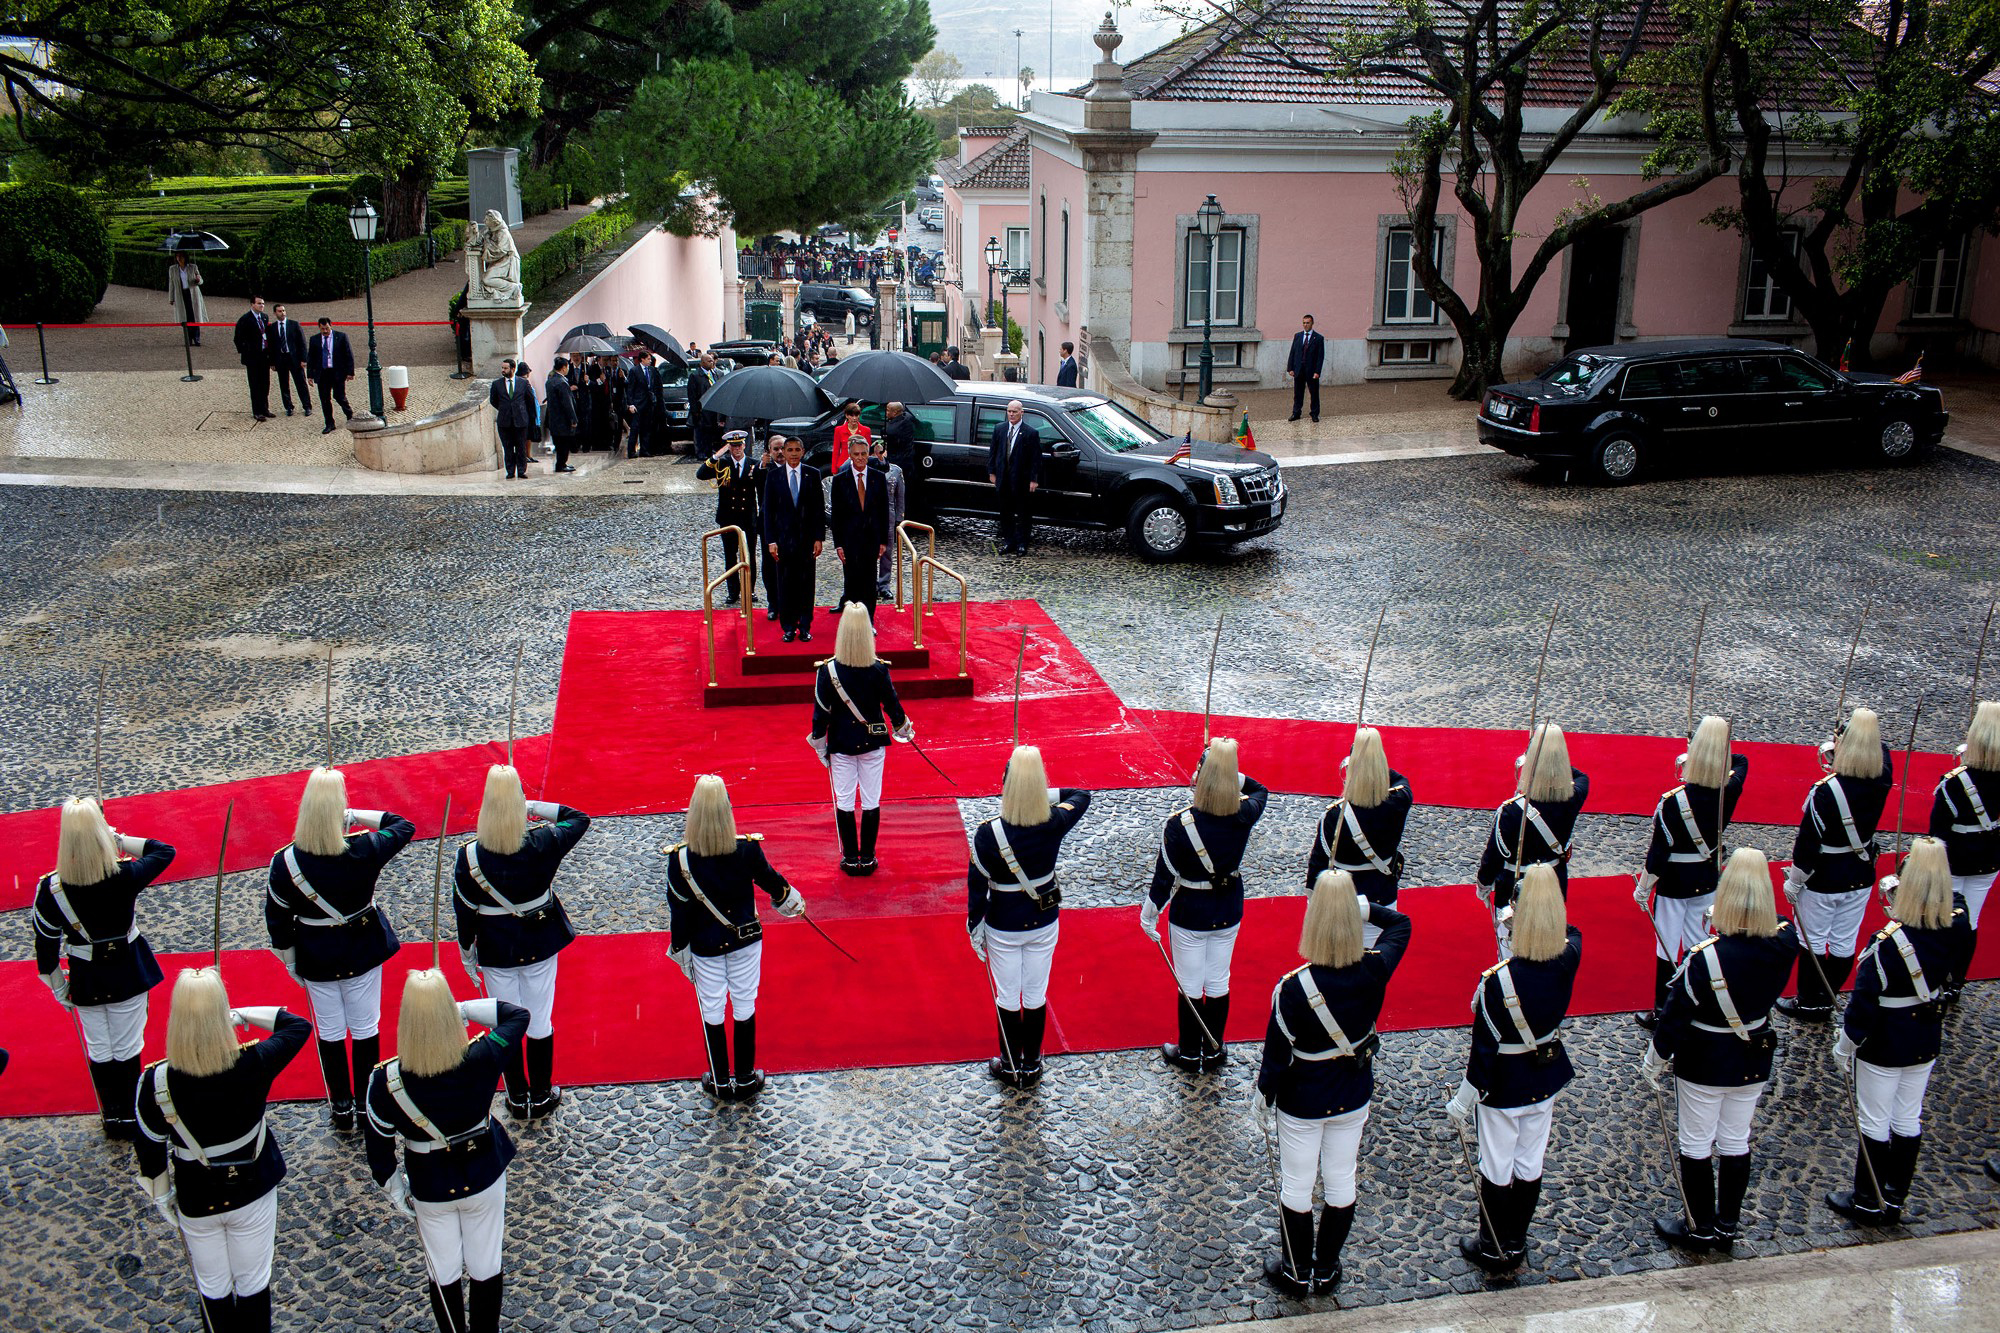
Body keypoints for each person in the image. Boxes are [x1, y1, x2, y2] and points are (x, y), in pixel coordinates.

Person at [1252, 871, 1411, 1294]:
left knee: (1297, 1183)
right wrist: (1359, 906)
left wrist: (1264, 1093)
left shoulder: (1292, 988)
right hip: (1353, 1092)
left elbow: (1277, 1054)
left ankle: (1296, 1270)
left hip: (1304, 1098)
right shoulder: (1376, 968)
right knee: (1341, 1180)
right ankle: (1325, 1269)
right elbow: (1401, 924)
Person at [134, 969, 309, 1333]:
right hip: (253, 1186)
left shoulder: (156, 1080)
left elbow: (149, 1146)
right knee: (254, 1282)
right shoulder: (252, 1062)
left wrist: (162, 1194)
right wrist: (242, 1014)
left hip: (198, 1194)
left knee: (212, 1287)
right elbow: (296, 1026)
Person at [1640, 848, 1797, 1251]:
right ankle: (1727, 1224)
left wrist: (1654, 1059)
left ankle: (1700, 1226)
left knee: (1695, 1142)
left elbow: (1674, 1017)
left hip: (1706, 1057)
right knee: (1735, 1140)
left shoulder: (1705, 958)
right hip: (1752, 1055)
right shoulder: (1783, 942)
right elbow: (1781, 925)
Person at [364, 973, 526, 1333]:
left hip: (430, 1182)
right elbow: (517, 1016)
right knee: (486, 1265)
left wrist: (394, 1189)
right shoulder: (482, 1055)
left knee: (443, 1271)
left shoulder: (385, 1081)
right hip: (483, 1172)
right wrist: (463, 1009)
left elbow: (378, 1145)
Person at [1826, 836, 1973, 1223]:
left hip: (1886, 1038)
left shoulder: (1887, 944)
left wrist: (1845, 1044)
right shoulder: (1956, 925)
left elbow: (1863, 1006)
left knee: (1875, 1119)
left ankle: (1866, 1199)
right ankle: (1894, 1198)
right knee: (1908, 1117)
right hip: (1925, 1033)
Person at [1445, 863, 1581, 1274]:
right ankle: (1516, 1239)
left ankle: (1491, 1243)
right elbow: (1569, 931)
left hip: (1504, 1083)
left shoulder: (1498, 982)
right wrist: (1541, 900)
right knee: (1530, 1162)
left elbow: (1482, 1051)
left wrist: (1463, 1099)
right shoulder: (1570, 953)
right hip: (1545, 1074)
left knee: (1497, 1164)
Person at [264, 769, 416, 1132]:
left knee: (330, 1033)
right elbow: (402, 826)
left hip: (315, 954)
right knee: (365, 1028)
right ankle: (366, 1106)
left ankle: (340, 1106)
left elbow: (278, 918)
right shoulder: (363, 849)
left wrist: (289, 960)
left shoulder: (285, 863)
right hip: (362, 946)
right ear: (339, 809)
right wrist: (357, 815)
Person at [31, 797, 176, 1139]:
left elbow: (45, 947)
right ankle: (129, 1114)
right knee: (127, 1046)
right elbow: (163, 850)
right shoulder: (124, 875)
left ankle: (112, 1116)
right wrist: (118, 839)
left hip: (87, 977)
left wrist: (59, 988)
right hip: (127, 970)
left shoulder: (51, 889)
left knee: (100, 1047)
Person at [453, 766, 589, 1120]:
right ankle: (541, 1094)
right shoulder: (542, 842)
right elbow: (578, 818)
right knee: (540, 1019)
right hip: (539, 940)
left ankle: (517, 1095)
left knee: (505, 1021)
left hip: (497, 947)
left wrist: (467, 950)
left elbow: (464, 912)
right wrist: (531, 807)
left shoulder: (469, 856)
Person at [665, 775, 806, 1101]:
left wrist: (680, 947)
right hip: (745, 940)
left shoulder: (679, 859)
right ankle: (744, 1078)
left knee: (711, 1009)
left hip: (705, 945)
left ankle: (718, 1079)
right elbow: (773, 883)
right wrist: (792, 901)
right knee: (744, 1003)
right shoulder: (746, 850)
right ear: (727, 810)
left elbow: (679, 911)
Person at [1141, 737, 1269, 1071]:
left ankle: (1188, 1052)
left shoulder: (1180, 824)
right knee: (1218, 981)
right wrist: (1227, 771)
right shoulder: (1244, 813)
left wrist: (1150, 913)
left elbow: (1164, 877)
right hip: (1227, 908)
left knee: (1190, 984)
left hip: (1191, 912)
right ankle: (1213, 1050)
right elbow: (1260, 789)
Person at [966, 746, 1092, 1088]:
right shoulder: (1054, 822)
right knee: (1036, 993)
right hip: (1042, 919)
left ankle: (1009, 1063)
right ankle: (1033, 1063)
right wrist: (1040, 792)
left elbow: (977, 888)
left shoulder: (987, 834)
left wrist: (974, 927)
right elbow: (1081, 795)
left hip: (1004, 922)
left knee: (1008, 994)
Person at [1634, 715, 1750, 1029]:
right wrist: (1714, 750)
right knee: (1700, 941)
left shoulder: (1673, 803)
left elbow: (1658, 854)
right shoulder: (1730, 789)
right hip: (1707, 877)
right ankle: (1697, 1000)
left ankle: (1662, 1009)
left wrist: (1643, 888)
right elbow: (1741, 760)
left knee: (1667, 946)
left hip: (1673, 884)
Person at [1779, 706, 1893, 1021]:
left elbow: (1808, 843)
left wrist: (1796, 880)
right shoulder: (1882, 778)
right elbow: (1883, 750)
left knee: (1811, 939)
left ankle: (1809, 1002)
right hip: (1860, 872)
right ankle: (1827, 997)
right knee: (1844, 940)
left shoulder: (1825, 791)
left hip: (1823, 876)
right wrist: (1862, 729)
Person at [810, 603, 915, 874]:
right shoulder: (878, 669)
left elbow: (820, 715)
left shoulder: (827, 671)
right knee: (871, 799)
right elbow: (893, 705)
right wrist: (905, 730)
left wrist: (820, 747)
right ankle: (867, 857)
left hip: (842, 743)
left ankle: (849, 858)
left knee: (844, 801)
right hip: (873, 742)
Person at [1475, 723, 1589, 959]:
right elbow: (1580, 775)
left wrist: (1483, 884)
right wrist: (1552, 756)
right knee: (1548, 951)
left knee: (1509, 955)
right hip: (1553, 883)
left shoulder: (1511, 811)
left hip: (1516, 885)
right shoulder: (1574, 795)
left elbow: (1494, 856)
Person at [1305, 726, 1413, 948]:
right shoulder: (1400, 799)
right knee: (1373, 968)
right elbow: (1399, 779)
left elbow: (1318, 862)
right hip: (1382, 894)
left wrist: (1312, 903)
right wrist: (1370, 753)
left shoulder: (1335, 814)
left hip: (1341, 900)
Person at [1928, 698, 1999, 963]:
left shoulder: (1954, 782)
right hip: (1989, 857)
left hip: (1954, 858)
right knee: (1971, 920)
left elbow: (1937, 831)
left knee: (1944, 918)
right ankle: (1956, 980)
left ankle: (1938, 973)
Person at [762, 434, 825, 642]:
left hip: (806, 541)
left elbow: (818, 509)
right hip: (782, 542)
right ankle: (788, 626)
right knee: (786, 584)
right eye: (789, 450)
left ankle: (805, 625)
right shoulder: (774, 477)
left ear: (803, 452)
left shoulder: (813, 474)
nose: (793, 454)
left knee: (806, 585)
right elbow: (768, 511)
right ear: (784, 452)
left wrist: (819, 537)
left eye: (797, 450)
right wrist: (771, 540)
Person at [697, 430, 762, 605]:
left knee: (749, 557)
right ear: (729, 448)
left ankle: (750, 589)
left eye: (739, 445)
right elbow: (701, 474)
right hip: (728, 518)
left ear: (744, 446)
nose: (737, 449)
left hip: (747, 518)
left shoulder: (754, 465)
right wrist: (717, 455)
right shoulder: (722, 464)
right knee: (730, 556)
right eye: (733, 446)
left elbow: (763, 484)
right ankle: (733, 591)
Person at [829, 432, 889, 618]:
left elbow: (883, 512)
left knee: (870, 581)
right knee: (852, 581)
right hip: (849, 540)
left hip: (871, 539)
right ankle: (852, 620)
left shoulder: (878, 478)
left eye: (863, 453)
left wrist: (883, 542)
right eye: (856, 454)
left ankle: (868, 620)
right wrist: (838, 543)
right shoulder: (840, 480)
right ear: (850, 455)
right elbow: (836, 516)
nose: (860, 458)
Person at [988, 399, 1043, 556]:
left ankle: (1022, 543)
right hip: (1003, 478)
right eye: (1009, 411)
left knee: (1023, 513)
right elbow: (993, 452)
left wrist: (1034, 479)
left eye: (1014, 411)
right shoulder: (999, 429)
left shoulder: (1031, 433)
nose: (1011, 414)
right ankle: (1009, 541)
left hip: (1021, 480)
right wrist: (992, 472)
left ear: (1021, 413)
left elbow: (1035, 459)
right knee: (1005, 512)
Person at [487, 357, 538, 480]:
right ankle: (510, 471)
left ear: (513, 369)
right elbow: (493, 401)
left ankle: (521, 470)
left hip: (520, 421)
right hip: (505, 422)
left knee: (521, 447)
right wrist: (505, 409)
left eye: (506, 368)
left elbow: (530, 401)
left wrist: (531, 418)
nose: (503, 370)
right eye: (502, 368)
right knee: (508, 447)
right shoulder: (497, 384)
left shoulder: (523, 383)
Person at [870, 438, 906, 600]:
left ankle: (884, 584)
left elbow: (900, 496)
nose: (880, 455)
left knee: (888, 552)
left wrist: (900, 518)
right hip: (871, 515)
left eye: (882, 451)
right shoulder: (869, 468)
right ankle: (870, 584)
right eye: (876, 451)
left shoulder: (896, 471)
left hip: (889, 515)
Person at [307, 317, 355, 435]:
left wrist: (350, 372)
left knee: (339, 396)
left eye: (327, 328)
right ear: (319, 328)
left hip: (337, 372)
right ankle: (329, 423)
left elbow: (348, 354)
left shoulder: (341, 337)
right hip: (323, 373)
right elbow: (311, 358)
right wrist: (310, 375)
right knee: (324, 399)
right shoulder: (314, 340)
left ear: (331, 326)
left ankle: (349, 413)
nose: (325, 331)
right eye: (322, 329)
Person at [880, 400, 924, 525]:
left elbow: (889, 432)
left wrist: (884, 431)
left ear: (895, 413)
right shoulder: (907, 419)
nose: (886, 412)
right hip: (907, 464)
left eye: (888, 410)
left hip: (899, 464)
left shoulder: (895, 427)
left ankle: (898, 522)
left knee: (896, 495)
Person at [234, 295, 275, 421]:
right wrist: (247, 351)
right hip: (252, 358)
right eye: (259, 303)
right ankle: (257, 411)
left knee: (265, 383)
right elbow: (238, 339)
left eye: (262, 303)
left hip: (263, 356)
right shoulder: (245, 319)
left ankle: (264, 408)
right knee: (255, 385)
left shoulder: (264, 317)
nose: (261, 305)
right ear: (252, 304)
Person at [267, 303, 310, 418]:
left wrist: (303, 359)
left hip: (294, 358)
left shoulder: (294, 325)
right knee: (283, 384)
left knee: (301, 383)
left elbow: (302, 343)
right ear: (275, 313)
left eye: (283, 311)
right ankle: (289, 406)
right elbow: (270, 346)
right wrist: (272, 362)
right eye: (280, 311)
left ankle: (307, 406)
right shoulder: (272, 328)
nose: (282, 313)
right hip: (281, 359)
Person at [543, 356, 581, 474]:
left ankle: (561, 463)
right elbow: (567, 403)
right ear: (564, 368)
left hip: (553, 418)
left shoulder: (550, 381)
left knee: (558, 442)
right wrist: (573, 419)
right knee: (564, 443)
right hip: (563, 419)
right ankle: (561, 464)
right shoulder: (561, 383)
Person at [1286, 314, 1324, 423]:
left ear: (1312, 323)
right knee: (1298, 393)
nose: (1305, 325)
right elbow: (1293, 352)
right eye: (1304, 323)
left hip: (1311, 370)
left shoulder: (1318, 338)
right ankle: (1296, 413)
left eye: (1308, 323)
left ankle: (1314, 413)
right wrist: (1290, 368)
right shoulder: (1297, 336)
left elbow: (1320, 357)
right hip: (1299, 369)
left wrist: (1317, 371)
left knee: (1314, 392)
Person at [168, 251, 206, 346]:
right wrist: (171, 297)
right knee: (185, 317)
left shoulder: (193, 267)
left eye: (181, 256)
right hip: (181, 294)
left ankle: (196, 338)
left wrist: (198, 279)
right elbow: (171, 284)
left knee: (194, 316)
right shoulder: (172, 269)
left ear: (185, 257)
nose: (179, 258)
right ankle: (188, 338)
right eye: (177, 256)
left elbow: (200, 281)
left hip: (192, 294)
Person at [623, 349, 656, 458]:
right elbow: (630, 388)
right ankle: (631, 451)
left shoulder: (651, 370)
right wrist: (630, 404)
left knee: (646, 428)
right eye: (648, 359)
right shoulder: (634, 371)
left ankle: (645, 450)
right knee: (635, 428)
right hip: (637, 404)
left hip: (648, 403)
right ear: (642, 359)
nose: (650, 361)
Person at [688, 351, 719, 457]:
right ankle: (701, 452)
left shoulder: (713, 374)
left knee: (711, 432)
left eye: (712, 360)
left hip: (712, 409)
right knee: (701, 433)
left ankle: (709, 450)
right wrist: (695, 411)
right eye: (709, 361)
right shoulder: (695, 376)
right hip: (701, 410)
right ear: (702, 363)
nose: (712, 363)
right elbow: (692, 395)